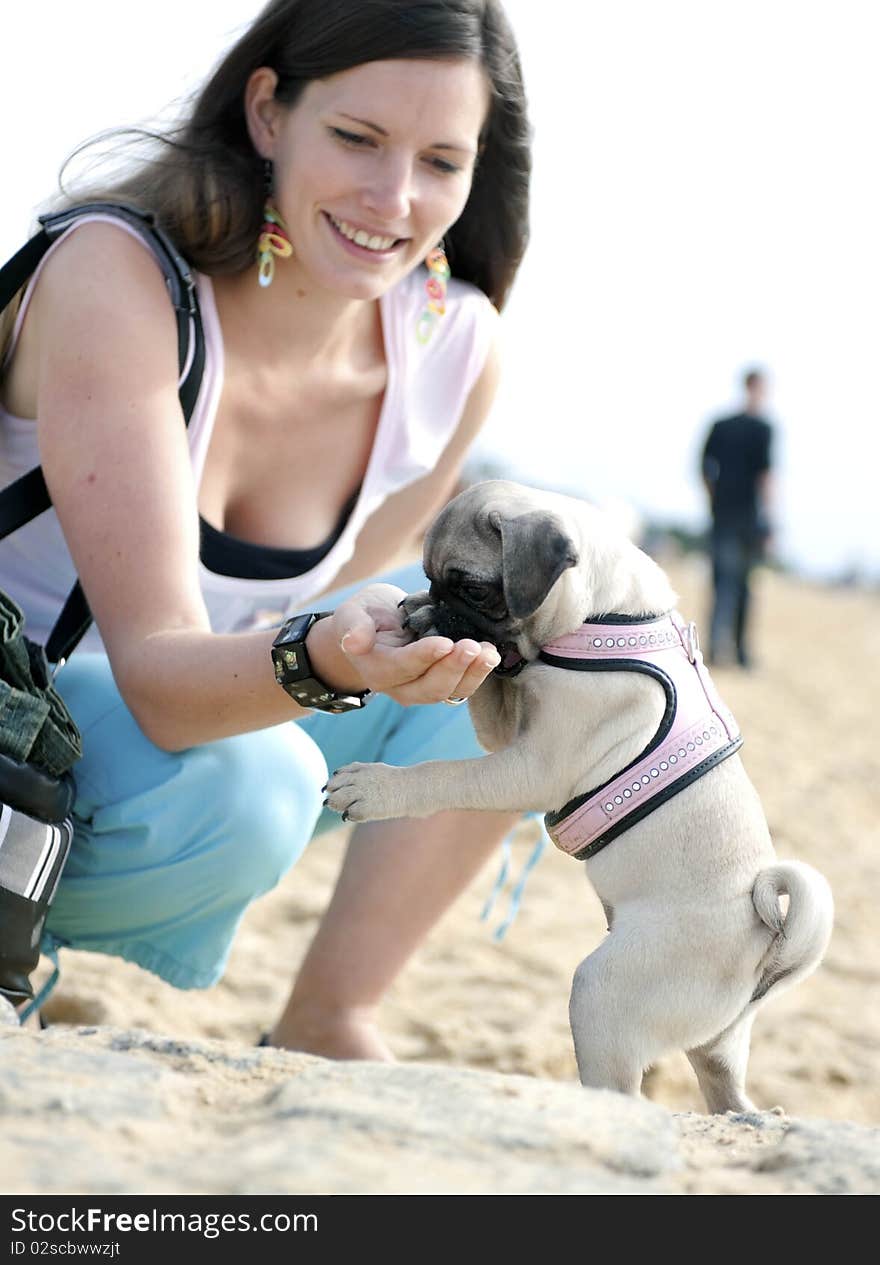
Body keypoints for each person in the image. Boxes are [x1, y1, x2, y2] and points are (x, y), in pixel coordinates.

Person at [0, 0, 531, 1057]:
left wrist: (365, 651)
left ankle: (331, 1014)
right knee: (255, 785)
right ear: (267, 112)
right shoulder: (121, 273)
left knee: (525, 642)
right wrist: (322, 658)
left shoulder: (452, 351)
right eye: (357, 138)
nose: (395, 200)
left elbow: (312, 607)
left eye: (440, 160)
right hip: (20, 725)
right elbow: (160, 669)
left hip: (138, 756)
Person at [700, 367, 775, 668]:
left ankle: (720, 650)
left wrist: (714, 497)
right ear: (757, 389)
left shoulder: (721, 425)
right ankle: (738, 654)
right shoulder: (762, 429)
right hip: (747, 518)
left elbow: (704, 468)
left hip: (725, 515)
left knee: (726, 584)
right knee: (739, 585)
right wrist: (768, 519)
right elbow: (766, 477)